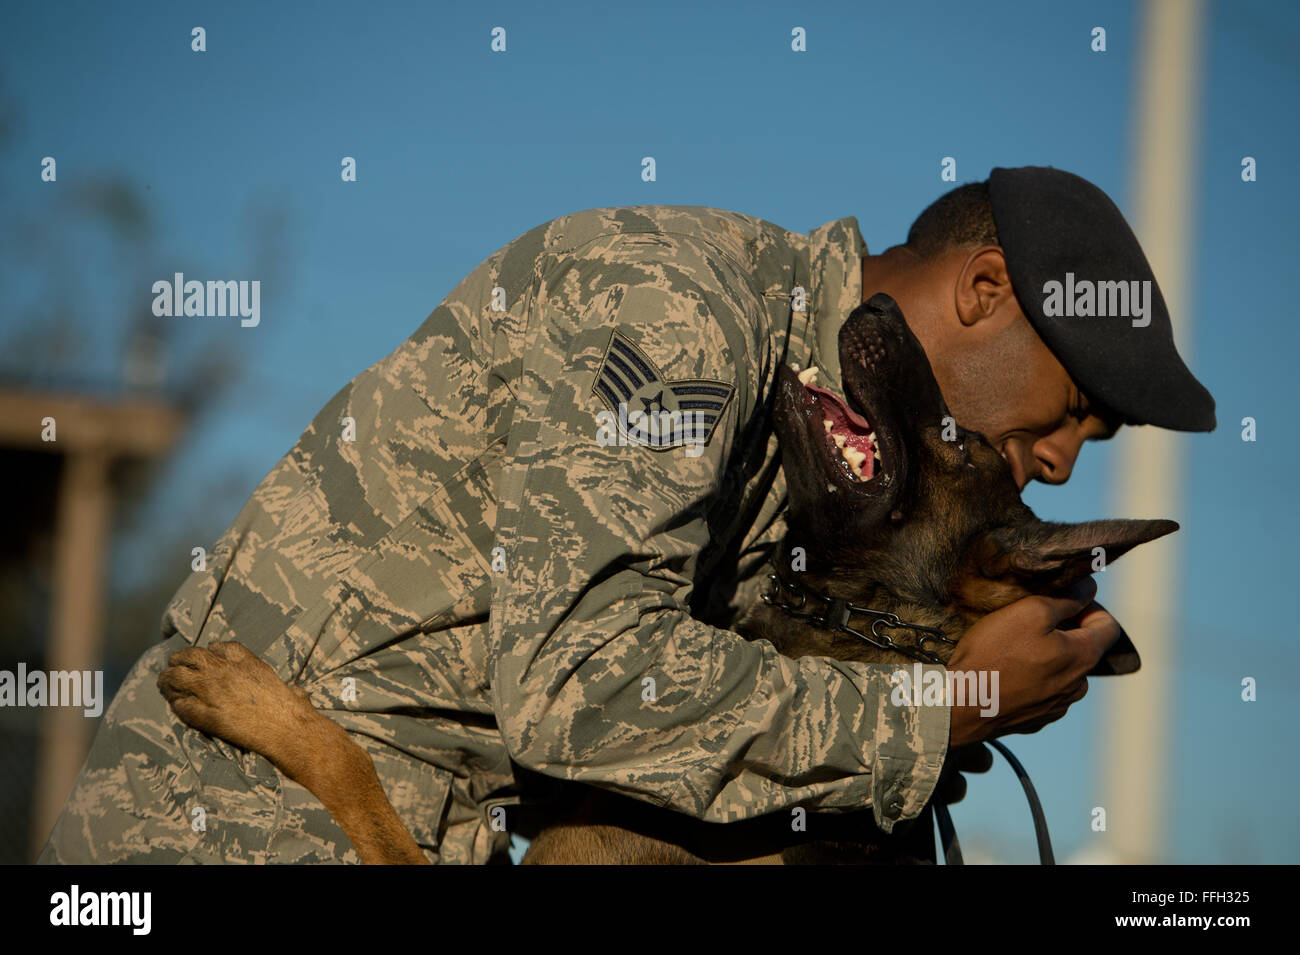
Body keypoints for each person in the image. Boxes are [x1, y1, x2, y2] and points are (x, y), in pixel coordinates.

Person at [37, 166, 1214, 864]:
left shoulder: (832, 446)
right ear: (985, 290)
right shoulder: (679, 318)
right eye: (1072, 413)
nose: (1058, 463)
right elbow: (583, 685)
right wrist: (936, 715)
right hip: (256, 815)